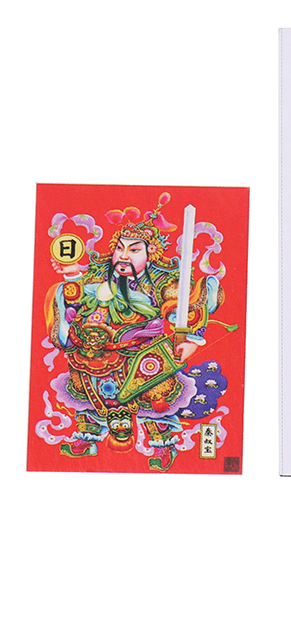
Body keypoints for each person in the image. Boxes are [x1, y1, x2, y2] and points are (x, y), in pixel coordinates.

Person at [46, 193, 223, 471]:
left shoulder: (162, 280)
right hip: (93, 349)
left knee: (153, 396)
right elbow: (77, 297)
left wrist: (191, 339)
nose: (124, 255)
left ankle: (163, 445)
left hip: (141, 351)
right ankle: (87, 438)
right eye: (120, 248)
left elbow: (187, 306)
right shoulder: (100, 273)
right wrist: (71, 275)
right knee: (86, 392)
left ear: (150, 253)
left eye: (134, 250)